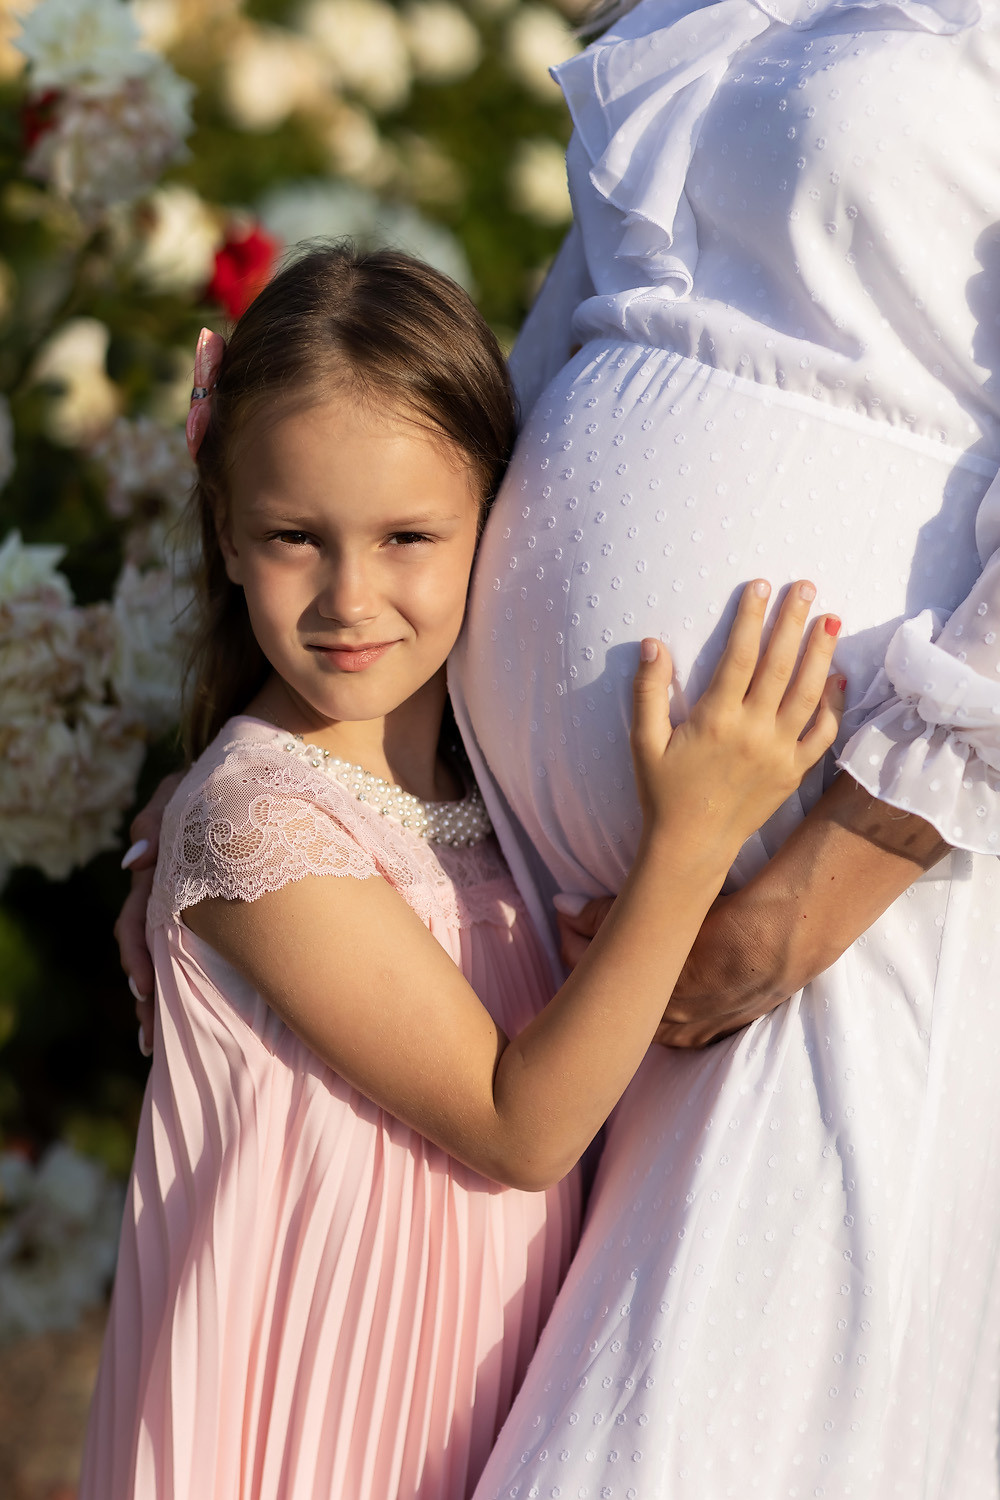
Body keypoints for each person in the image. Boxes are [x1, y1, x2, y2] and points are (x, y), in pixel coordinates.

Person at [85, 244, 842, 1500]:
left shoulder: (471, 796)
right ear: (223, 532)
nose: (350, 595)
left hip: (465, 1394)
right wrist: (691, 837)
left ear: (497, 514)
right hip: (319, 1423)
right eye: (292, 537)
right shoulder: (252, 821)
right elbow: (519, 1126)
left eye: (407, 536)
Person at [445, 0, 1000, 1495]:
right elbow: (546, 386)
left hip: (855, 911)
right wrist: (270, 775)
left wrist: (819, 884)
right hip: (562, 962)